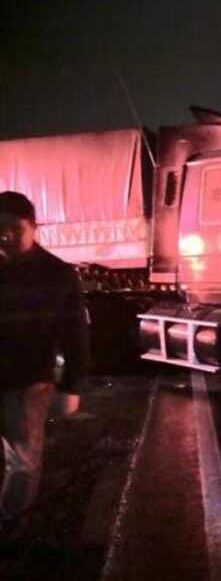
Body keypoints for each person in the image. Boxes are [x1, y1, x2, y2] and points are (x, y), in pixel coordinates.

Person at [0, 191, 89, 533]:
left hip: (27, 380)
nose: (4, 235)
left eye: (13, 228)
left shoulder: (57, 274)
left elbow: (75, 334)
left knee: (22, 458)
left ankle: (12, 521)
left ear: (34, 227)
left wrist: (72, 385)